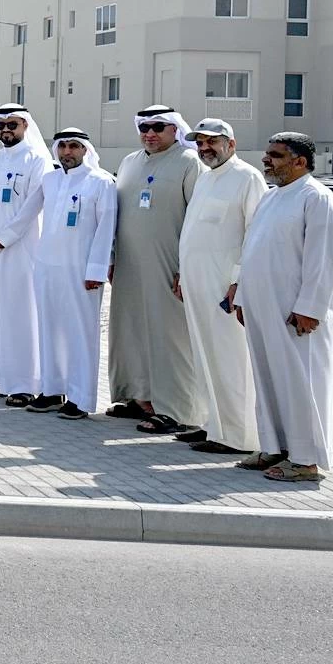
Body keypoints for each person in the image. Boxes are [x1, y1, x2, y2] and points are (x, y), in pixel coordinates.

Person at [229, 133, 333, 483]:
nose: (267, 161)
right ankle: (274, 448)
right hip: (262, 307)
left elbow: (323, 260)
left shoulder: (317, 198)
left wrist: (310, 308)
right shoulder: (272, 197)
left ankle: (305, 461)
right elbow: (252, 249)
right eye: (267, 154)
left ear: (300, 162)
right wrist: (242, 293)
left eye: (276, 156)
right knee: (267, 379)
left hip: (297, 313)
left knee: (299, 383)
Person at [172, 118, 268, 453]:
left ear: (231, 143)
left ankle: (237, 435)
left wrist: (239, 281)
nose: (204, 148)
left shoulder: (247, 178)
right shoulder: (206, 178)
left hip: (224, 286)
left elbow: (255, 233)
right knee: (204, 355)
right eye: (199, 143)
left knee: (230, 358)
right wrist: (184, 275)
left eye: (211, 142)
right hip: (198, 282)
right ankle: (212, 424)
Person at [108, 106, 203, 427]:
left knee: (170, 337)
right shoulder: (130, 162)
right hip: (129, 267)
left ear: (175, 129)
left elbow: (198, 220)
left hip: (169, 266)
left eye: (158, 127)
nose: (150, 133)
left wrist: (187, 268)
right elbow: (116, 215)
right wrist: (111, 257)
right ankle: (140, 398)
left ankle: (175, 409)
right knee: (132, 332)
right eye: (145, 127)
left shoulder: (190, 163)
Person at [30, 129, 118, 419]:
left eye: (74, 147)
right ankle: (52, 390)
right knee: (49, 329)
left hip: (81, 270)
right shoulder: (50, 180)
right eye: (63, 146)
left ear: (85, 150)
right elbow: (27, 213)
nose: (67, 152)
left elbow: (106, 230)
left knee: (81, 333)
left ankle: (80, 398)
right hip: (47, 266)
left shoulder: (101, 181)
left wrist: (97, 269)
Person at [0, 104, 52, 401]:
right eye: (1, 125)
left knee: (19, 314)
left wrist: (4, 237)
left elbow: (34, 204)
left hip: (21, 250)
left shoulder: (37, 160)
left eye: (12, 125)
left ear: (25, 126)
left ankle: (23, 384)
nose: (6, 130)